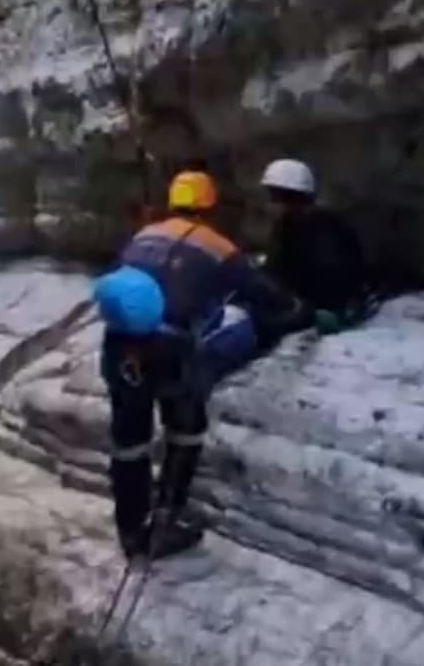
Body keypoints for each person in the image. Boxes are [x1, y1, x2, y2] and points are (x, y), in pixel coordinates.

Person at [93, 170, 311, 560]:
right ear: (210, 207)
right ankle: (164, 523)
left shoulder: (144, 235)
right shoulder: (219, 247)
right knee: (186, 429)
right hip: (169, 349)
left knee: (130, 442)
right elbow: (265, 295)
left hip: (119, 347)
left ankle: (131, 532)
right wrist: (300, 310)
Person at [259, 159, 366, 327]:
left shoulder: (329, 233)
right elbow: (276, 267)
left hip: (322, 308)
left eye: (274, 196)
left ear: (293, 198)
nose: (270, 204)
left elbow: (335, 284)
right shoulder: (286, 226)